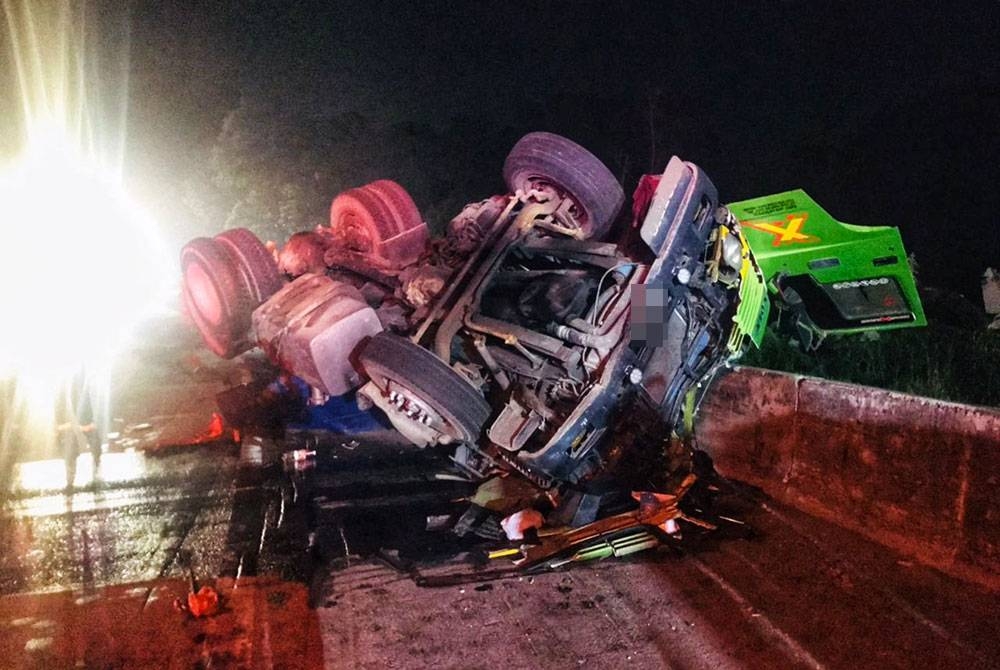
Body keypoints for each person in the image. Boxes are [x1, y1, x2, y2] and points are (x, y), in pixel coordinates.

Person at [55, 373, 101, 490]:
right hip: (72, 421)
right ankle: (74, 481)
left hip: (76, 420)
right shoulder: (71, 390)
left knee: (73, 452)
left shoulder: (73, 390)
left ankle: (92, 478)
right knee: (71, 452)